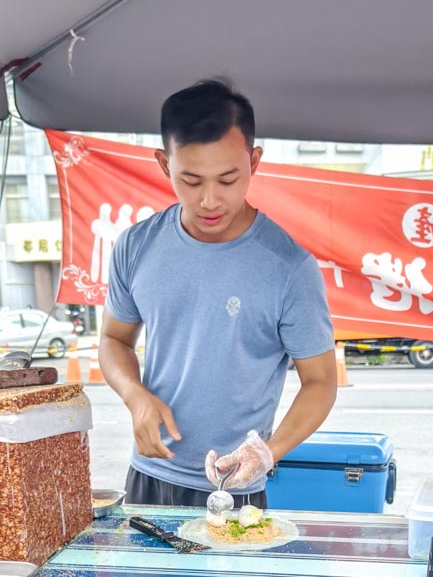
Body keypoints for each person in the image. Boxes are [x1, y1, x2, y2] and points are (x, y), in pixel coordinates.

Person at [99, 79, 337, 507]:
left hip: (235, 487)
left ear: (255, 162)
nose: (210, 200)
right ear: (161, 164)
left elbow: (320, 382)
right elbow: (114, 340)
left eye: (228, 179)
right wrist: (136, 397)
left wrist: (269, 452)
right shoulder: (136, 245)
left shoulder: (288, 268)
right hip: (150, 474)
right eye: (190, 180)